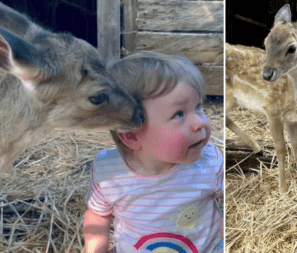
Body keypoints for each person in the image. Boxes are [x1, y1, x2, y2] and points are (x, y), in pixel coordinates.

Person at [83, 51, 224, 253]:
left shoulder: (210, 162)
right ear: (131, 136)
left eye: (199, 107)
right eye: (179, 114)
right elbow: (98, 213)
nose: (200, 122)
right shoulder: (110, 173)